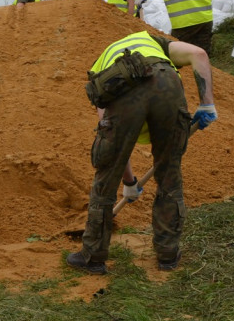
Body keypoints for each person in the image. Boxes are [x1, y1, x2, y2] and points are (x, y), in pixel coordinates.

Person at [67, 30, 216, 275]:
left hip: (123, 91)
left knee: (106, 176)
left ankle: (92, 257)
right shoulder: (156, 44)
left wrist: (128, 182)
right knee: (169, 173)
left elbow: (113, 148)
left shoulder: (102, 71)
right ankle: (168, 254)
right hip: (168, 86)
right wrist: (207, 101)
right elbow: (199, 53)